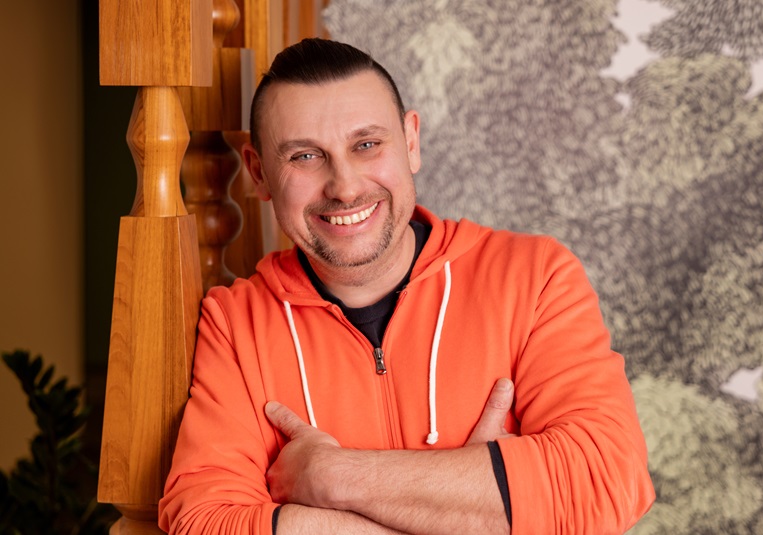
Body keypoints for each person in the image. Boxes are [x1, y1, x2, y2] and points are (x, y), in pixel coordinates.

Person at [158, 38, 655, 534]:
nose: (345, 187)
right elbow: (202, 521)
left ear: (411, 142)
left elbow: (606, 478)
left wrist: (331, 477)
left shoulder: (535, 277)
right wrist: (476, 508)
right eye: (306, 156)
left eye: (367, 145)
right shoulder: (234, 324)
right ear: (259, 173)